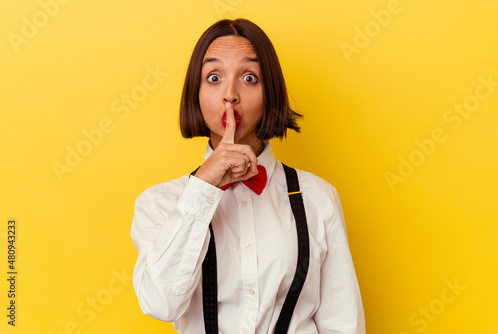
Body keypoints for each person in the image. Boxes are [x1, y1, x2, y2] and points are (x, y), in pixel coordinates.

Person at [131, 18, 365, 334]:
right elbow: (161, 304)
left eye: (249, 78)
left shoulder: (317, 198)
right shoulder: (160, 203)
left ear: (270, 91)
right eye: (213, 77)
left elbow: (343, 322)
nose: (230, 95)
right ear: (196, 94)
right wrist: (203, 187)